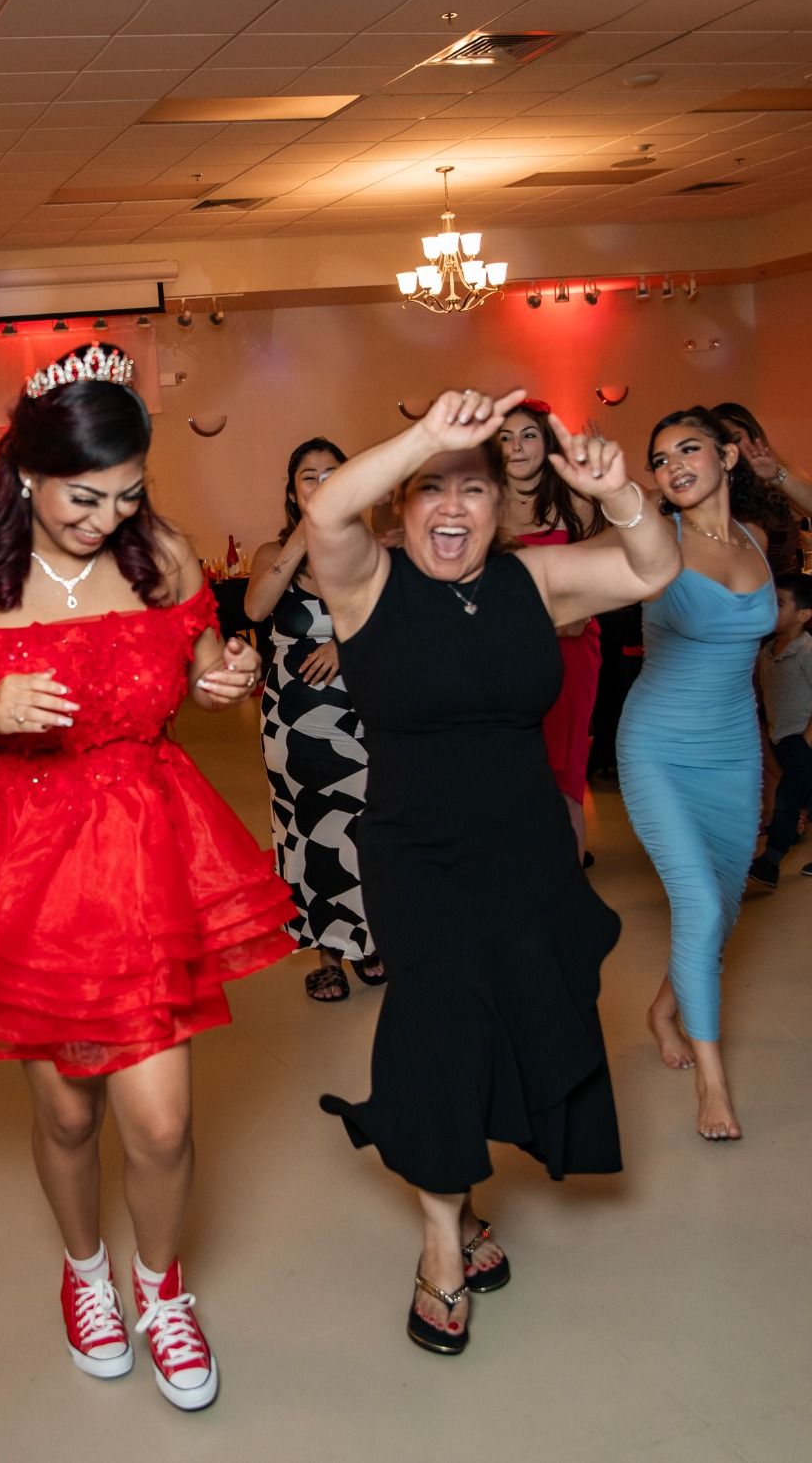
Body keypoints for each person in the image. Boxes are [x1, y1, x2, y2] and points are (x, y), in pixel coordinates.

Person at [0, 343, 293, 1413]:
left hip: (143, 850)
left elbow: (201, 668)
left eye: (127, 493)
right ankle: (85, 1274)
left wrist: (223, 679)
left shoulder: (162, 555)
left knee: (162, 1121)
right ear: (27, 474)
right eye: (84, 497)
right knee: (71, 1116)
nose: (107, 518)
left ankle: (160, 1289)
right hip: (23, 873)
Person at [305, 387, 678, 1357]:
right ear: (401, 505)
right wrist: (428, 438)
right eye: (430, 488)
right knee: (436, 1032)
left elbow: (654, 566)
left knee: (506, 1022)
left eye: (471, 488)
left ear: (500, 504)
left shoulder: (533, 581)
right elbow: (326, 511)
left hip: (526, 851)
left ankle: (463, 1212)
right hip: (418, 858)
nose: (451, 507)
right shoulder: (366, 582)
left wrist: (620, 493)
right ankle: (442, 1243)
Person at [618, 408, 779, 1143]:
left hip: (733, 749)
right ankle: (713, 1085)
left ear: (729, 457)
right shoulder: (655, 542)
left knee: (720, 906)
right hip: (657, 746)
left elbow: (756, 663)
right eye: (660, 458)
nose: (673, 465)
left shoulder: (757, 540)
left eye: (688, 449)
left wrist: (767, 756)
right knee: (702, 905)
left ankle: (663, 1010)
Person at [245, 437, 381, 1003]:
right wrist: (304, 536)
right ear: (293, 491)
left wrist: (349, 646)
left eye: (332, 474)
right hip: (293, 722)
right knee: (306, 832)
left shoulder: (370, 552)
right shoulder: (271, 552)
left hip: (362, 718)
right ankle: (327, 954)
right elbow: (255, 608)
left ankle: (366, 940)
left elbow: (399, 626)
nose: (321, 483)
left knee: (364, 828)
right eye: (309, 476)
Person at [497, 398, 604, 860]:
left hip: (569, 651)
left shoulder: (576, 501)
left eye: (528, 435)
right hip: (501, 655)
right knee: (508, 770)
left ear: (547, 443)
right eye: (505, 438)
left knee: (563, 773)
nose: (517, 447)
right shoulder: (484, 505)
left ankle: (567, 881)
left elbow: (599, 580)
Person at [748, 574, 812, 889]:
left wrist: (807, 742)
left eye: (779, 603)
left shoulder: (809, 652)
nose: (770, 607)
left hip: (811, 737)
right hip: (784, 738)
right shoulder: (768, 651)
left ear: (803, 615)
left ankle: (771, 861)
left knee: (787, 798)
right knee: (810, 795)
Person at [711, 402, 812, 575]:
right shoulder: (712, 485)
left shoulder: (780, 474)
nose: (732, 450)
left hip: (784, 583)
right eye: (722, 444)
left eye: (737, 439)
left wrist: (775, 476)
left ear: (754, 434)